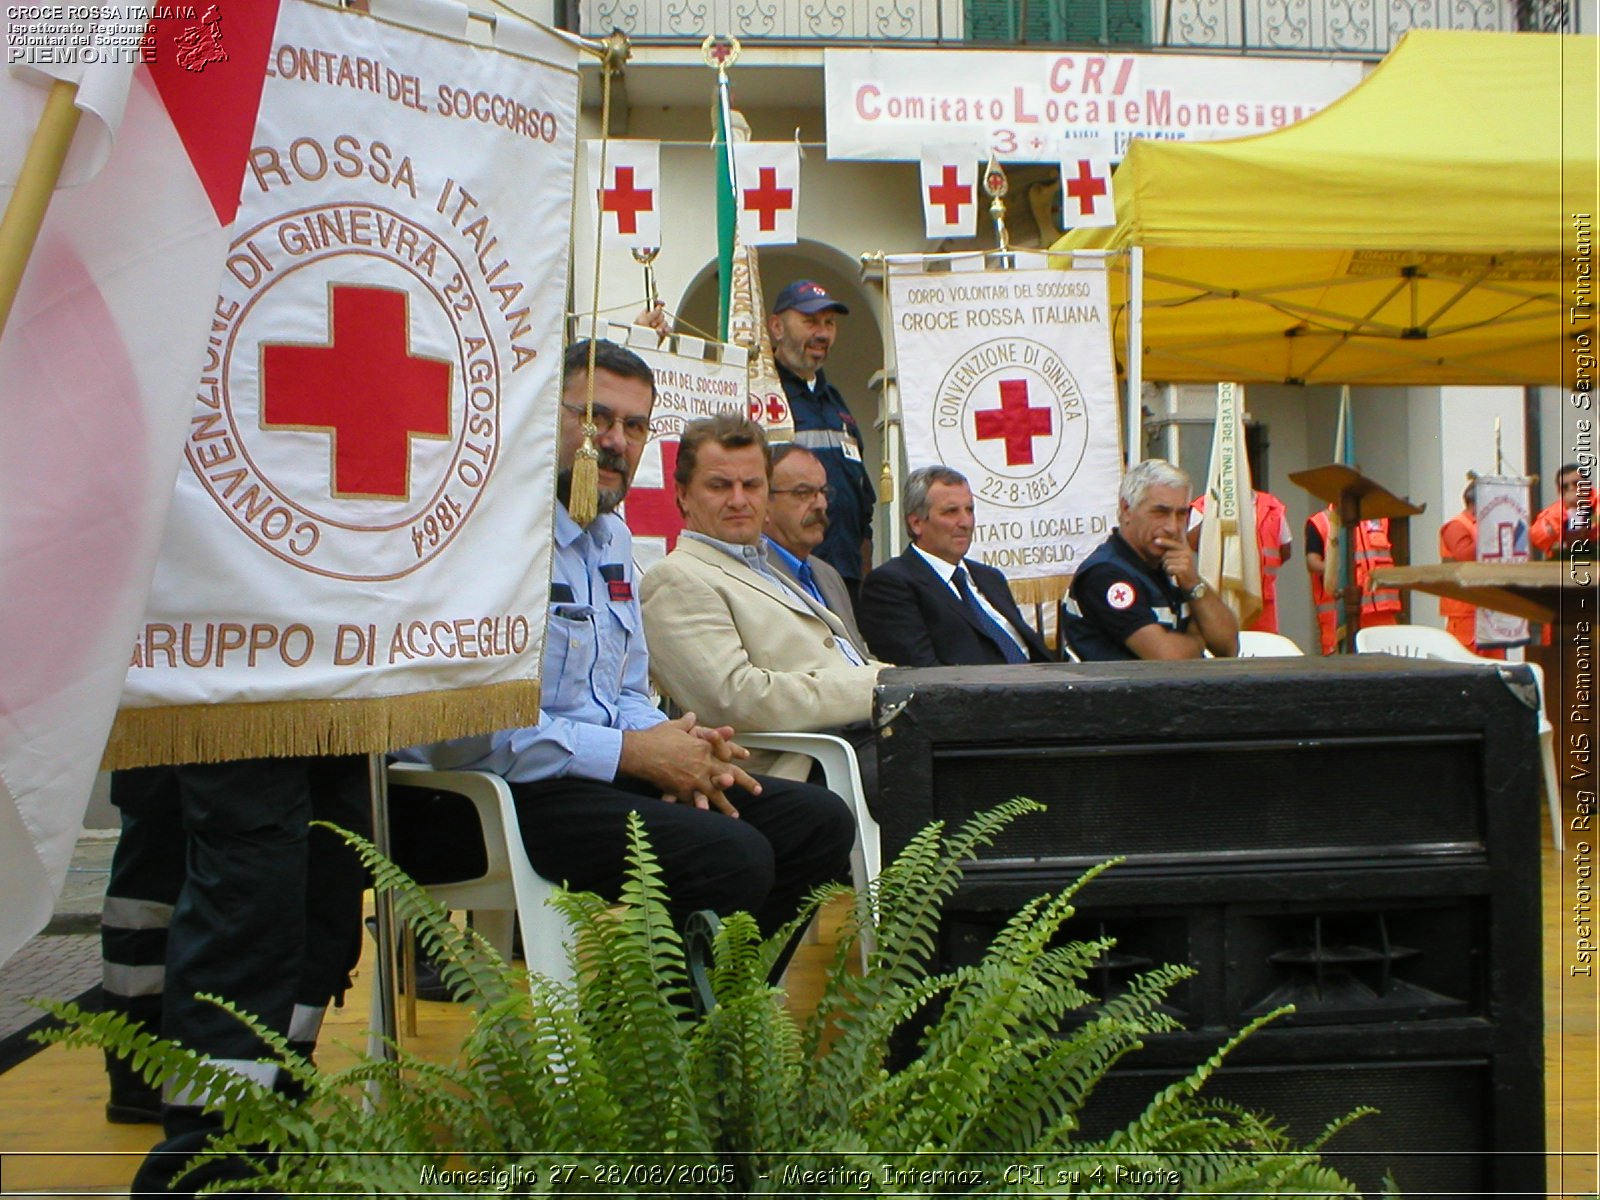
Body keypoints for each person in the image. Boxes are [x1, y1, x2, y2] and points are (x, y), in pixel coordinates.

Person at [395, 341, 853, 977]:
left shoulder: (610, 535)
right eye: (593, 418)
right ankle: (669, 1045)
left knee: (818, 821)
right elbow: (468, 731)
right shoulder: (487, 536)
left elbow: (626, 691)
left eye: (634, 426)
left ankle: (709, 1017)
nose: (614, 441)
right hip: (481, 792)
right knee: (733, 854)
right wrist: (633, 754)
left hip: (592, 775)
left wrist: (678, 745)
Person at [123, 756, 370, 1194]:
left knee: (328, 852)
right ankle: (213, 1161)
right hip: (238, 706)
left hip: (331, 706)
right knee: (249, 873)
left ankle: (277, 1103)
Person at [639, 413, 885, 780]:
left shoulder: (771, 569)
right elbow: (735, 700)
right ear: (683, 496)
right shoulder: (674, 579)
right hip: (810, 767)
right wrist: (876, 686)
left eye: (751, 485)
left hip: (868, 736)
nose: (739, 500)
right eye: (720, 486)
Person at [858, 465, 1053, 667]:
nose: (966, 522)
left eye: (969, 510)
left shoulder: (990, 578)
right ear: (916, 523)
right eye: (951, 512)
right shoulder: (891, 585)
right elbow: (921, 675)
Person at [1062, 459, 1240, 662]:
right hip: (1117, 692)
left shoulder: (1173, 568)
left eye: (1181, 514)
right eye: (1160, 513)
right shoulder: (1105, 574)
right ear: (1127, 509)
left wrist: (1193, 582)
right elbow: (1169, 659)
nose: (1172, 527)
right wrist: (1198, 636)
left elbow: (1228, 647)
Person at [767, 280, 876, 608]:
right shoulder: (762, 395)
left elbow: (861, 503)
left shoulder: (836, 403)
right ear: (777, 327)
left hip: (844, 580)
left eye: (829, 323)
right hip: (786, 577)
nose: (823, 333)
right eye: (810, 321)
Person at [763, 442, 870, 659]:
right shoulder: (752, 572)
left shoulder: (828, 575)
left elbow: (859, 656)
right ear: (764, 501)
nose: (820, 504)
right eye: (803, 493)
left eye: (823, 492)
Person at [1187, 486, 1293, 634]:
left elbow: (1285, 549)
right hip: (1218, 596)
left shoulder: (1271, 506)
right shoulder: (1204, 504)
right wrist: (1214, 511)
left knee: (1264, 651)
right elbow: (1192, 542)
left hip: (1260, 600)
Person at [1305, 506, 1401, 655]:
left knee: (1386, 670)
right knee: (1342, 670)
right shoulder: (1320, 522)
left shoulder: (1379, 519)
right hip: (1339, 615)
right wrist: (1336, 569)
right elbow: (1312, 562)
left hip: (1381, 615)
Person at [1438, 480, 1505, 658]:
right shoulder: (1456, 525)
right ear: (1475, 503)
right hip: (1466, 614)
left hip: (1490, 610)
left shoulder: (1486, 526)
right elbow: (1465, 555)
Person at [1530, 462, 1596, 559]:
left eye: (1576, 483)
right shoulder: (1553, 513)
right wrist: (1571, 509)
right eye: (1565, 487)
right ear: (1559, 491)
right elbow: (1538, 537)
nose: (1572, 488)